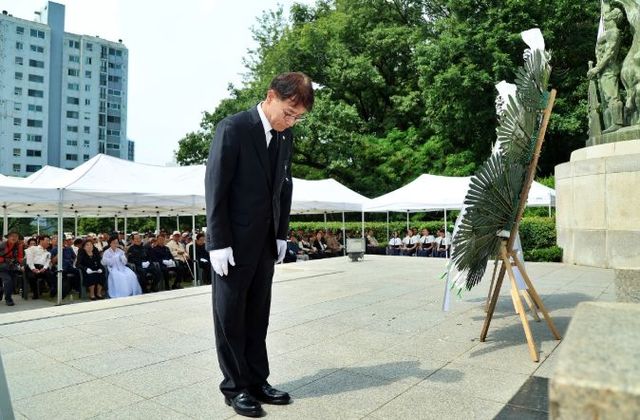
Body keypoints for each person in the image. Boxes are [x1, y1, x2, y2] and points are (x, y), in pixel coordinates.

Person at [205, 72, 313, 417]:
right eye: (288, 113)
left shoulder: (284, 136)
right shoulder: (233, 128)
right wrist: (217, 241)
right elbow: (216, 186)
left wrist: (281, 233)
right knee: (230, 316)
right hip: (232, 244)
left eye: (298, 117)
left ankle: (257, 380)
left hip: (265, 242)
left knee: (257, 316)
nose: (291, 122)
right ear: (270, 97)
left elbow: (284, 187)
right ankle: (234, 386)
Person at [0, 231, 24, 306]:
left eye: (16, 236)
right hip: (2, 267)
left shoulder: (19, 246)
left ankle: (3, 292)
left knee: (12, 283)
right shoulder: (2, 245)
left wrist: (20, 264)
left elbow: (20, 257)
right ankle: (8, 299)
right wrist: (5, 260)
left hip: (13, 267)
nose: (14, 238)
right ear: (8, 237)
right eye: (12, 236)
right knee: (8, 281)